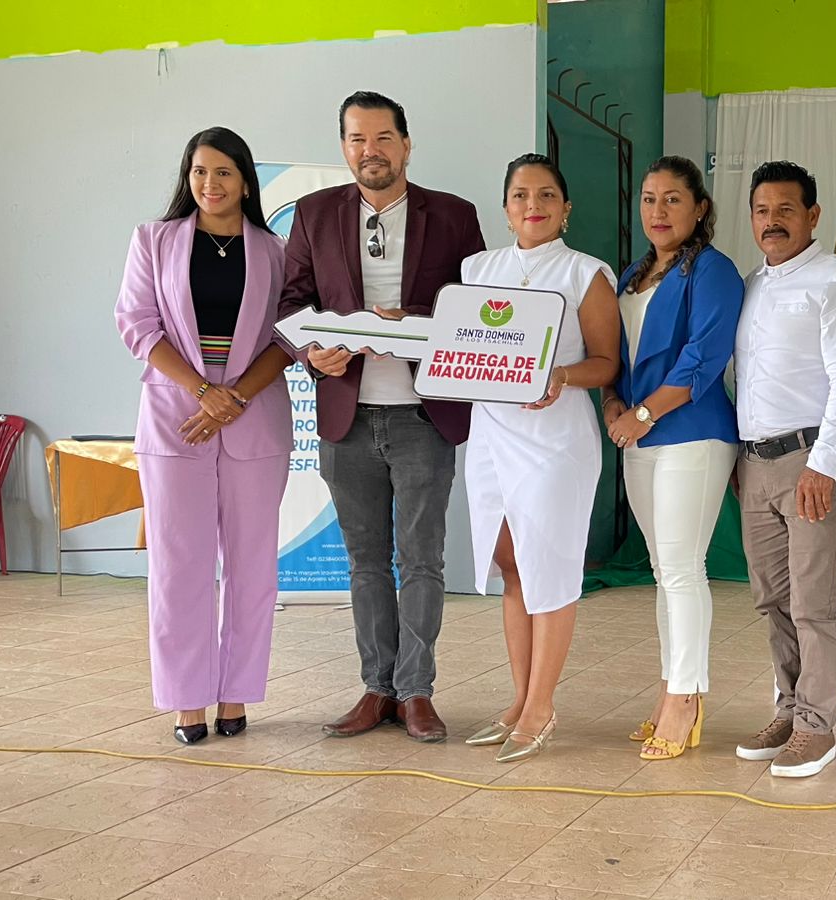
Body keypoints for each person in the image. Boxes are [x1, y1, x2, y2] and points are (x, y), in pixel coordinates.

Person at [279, 91, 485, 743]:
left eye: (383, 138)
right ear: (344, 147)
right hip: (348, 415)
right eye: (357, 139)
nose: (370, 151)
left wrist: (412, 322)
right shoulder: (314, 214)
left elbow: (478, 310)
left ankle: (417, 692)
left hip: (425, 415)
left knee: (421, 561)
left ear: (406, 143)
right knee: (366, 562)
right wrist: (312, 354)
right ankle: (378, 689)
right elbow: (291, 302)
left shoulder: (453, 215)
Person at [114, 127, 293, 744]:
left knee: (252, 566)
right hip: (176, 418)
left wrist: (233, 396)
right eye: (198, 172)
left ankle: (236, 695)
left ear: (245, 181)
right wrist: (203, 391)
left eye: (223, 172)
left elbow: (289, 337)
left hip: (254, 416)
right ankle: (187, 701)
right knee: (178, 565)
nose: (209, 184)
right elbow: (137, 324)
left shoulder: (276, 251)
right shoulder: (153, 240)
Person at [460, 154, 620, 762]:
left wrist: (561, 376)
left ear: (566, 208)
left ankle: (542, 706)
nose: (534, 205)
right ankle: (519, 698)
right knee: (511, 562)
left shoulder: (585, 273)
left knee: (548, 566)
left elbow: (607, 363)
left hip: (555, 442)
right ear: (506, 209)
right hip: (491, 434)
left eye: (547, 194)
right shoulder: (477, 269)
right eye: (521, 195)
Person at [732, 161, 836, 778]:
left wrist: (823, 465)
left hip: (812, 460)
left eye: (785, 210)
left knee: (813, 602)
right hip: (755, 462)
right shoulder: (750, 285)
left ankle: (817, 726)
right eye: (762, 211)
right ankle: (789, 708)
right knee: (773, 600)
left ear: (813, 215)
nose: (772, 222)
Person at [603, 155, 744, 762]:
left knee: (684, 569)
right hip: (639, 434)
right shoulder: (631, 275)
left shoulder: (713, 270)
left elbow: (701, 358)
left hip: (692, 431)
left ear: (700, 207)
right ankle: (670, 691)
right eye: (649, 198)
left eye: (672, 199)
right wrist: (613, 404)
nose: (658, 211)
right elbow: (614, 353)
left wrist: (640, 415)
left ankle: (686, 698)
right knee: (664, 571)